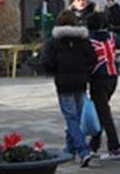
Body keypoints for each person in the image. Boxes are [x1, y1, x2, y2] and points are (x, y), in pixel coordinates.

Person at [42, 10, 99, 167]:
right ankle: (69, 150)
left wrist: (56, 70)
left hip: (63, 83)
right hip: (81, 82)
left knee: (71, 118)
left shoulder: (53, 41)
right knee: (76, 118)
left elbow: (46, 61)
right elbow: (93, 58)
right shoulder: (82, 39)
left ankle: (83, 150)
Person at [84, 12, 120, 160]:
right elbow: (119, 43)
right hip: (113, 76)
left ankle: (115, 147)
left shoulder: (89, 39)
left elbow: (88, 59)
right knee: (101, 111)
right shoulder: (112, 36)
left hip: (98, 78)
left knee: (104, 114)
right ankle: (93, 146)